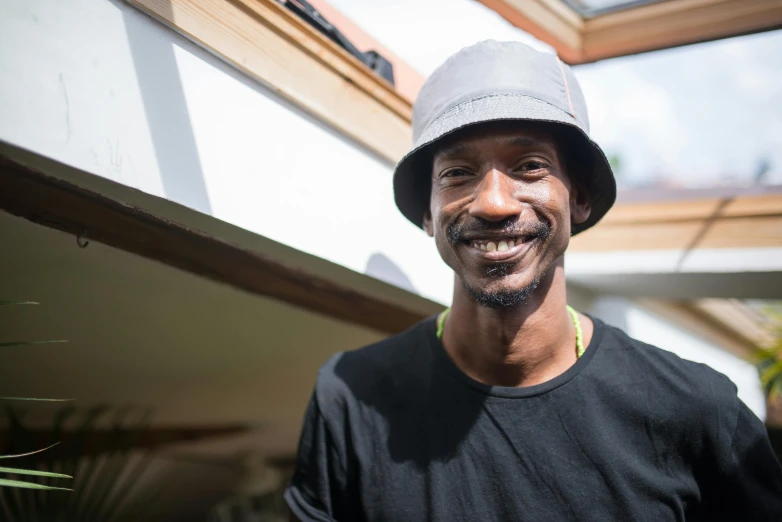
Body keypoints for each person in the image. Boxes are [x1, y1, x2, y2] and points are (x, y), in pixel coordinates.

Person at [284, 40, 782, 521]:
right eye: (457, 172)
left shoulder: (697, 410)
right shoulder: (350, 399)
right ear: (427, 215)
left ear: (579, 198)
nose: (494, 202)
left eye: (530, 166)